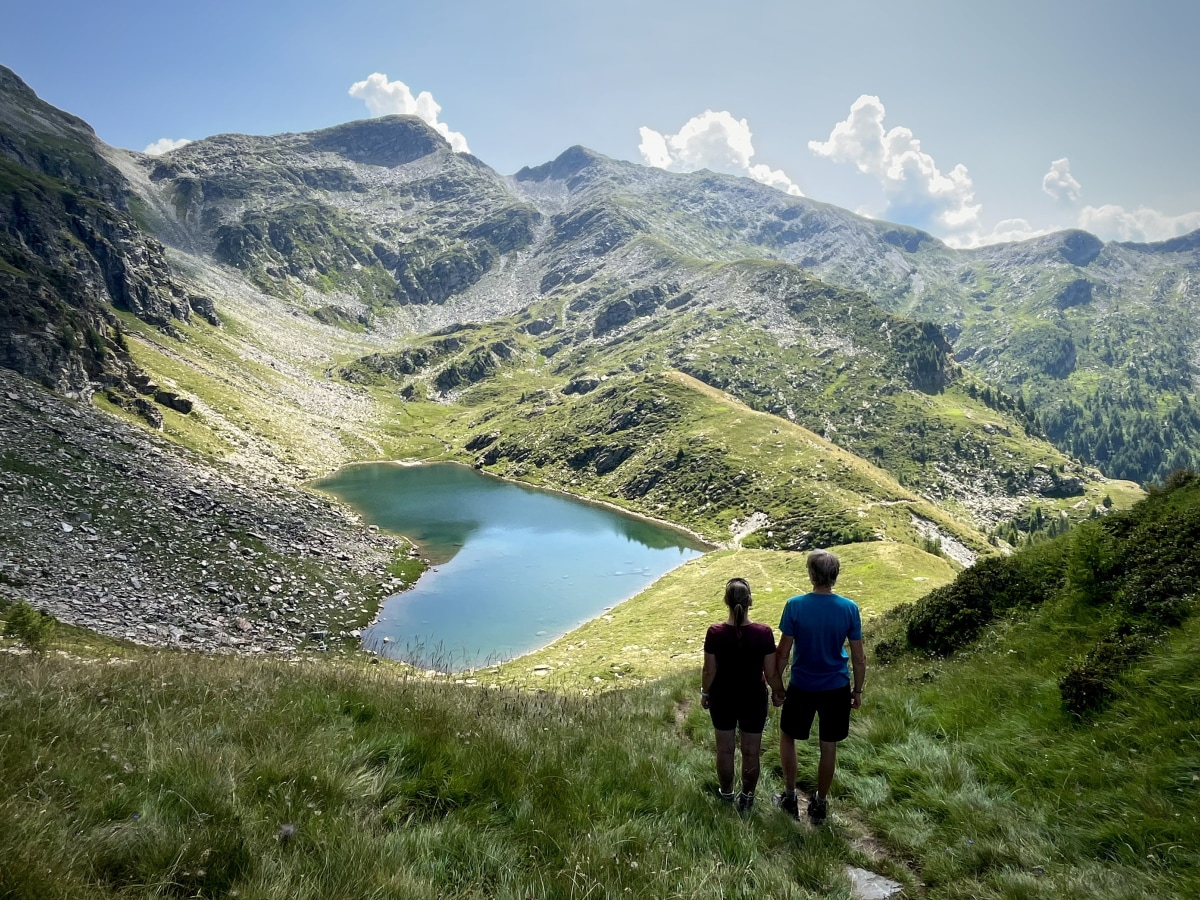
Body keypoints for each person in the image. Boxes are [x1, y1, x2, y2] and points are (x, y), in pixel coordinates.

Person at [769, 549, 866, 825]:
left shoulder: (795, 605)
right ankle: (820, 804)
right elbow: (858, 656)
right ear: (834, 576)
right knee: (829, 744)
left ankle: (789, 796)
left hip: (802, 684)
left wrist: (777, 686)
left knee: (788, 736)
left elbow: (783, 652)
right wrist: (857, 691)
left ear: (811, 574)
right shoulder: (849, 608)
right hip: (836, 686)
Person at [701, 577, 778, 813]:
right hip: (753, 698)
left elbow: (709, 670)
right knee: (751, 751)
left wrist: (705, 692)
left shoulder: (715, 632)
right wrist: (779, 692)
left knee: (724, 750)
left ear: (726, 601)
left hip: (722, 697)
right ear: (750, 601)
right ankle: (747, 798)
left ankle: (726, 795)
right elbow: (771, 671)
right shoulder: (763, 633)